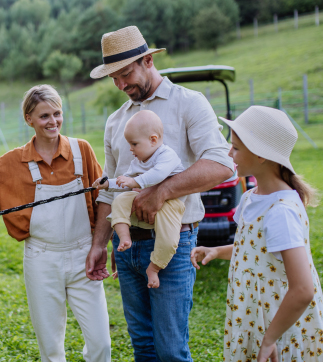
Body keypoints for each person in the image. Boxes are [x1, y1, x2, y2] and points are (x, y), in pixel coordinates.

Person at [85, 25, 234, 362]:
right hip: (126, 248)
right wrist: (98, 244)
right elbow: (110, 191)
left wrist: (161, 191)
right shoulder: (114, 121)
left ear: (148, 60)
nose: (121, 85)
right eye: (114, 78)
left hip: (173, 243)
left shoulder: (189, 103)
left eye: (125, 74)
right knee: (144, 348)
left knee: (169, 351)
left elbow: (222, 165)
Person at [0, 85, 111, 362]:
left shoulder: (82, 151)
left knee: (101, 344)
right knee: (51, 349)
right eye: (44, 116)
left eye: (57, 113)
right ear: (29, 119)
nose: (53, 122)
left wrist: (100, 245)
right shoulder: (12, 163)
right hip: (41, 260)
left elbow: (104, 199)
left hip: (83, 256)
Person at [191, 106, 323, 362]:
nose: (229, 152)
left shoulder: (281, 212)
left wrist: (269, 339)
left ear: (260, 155)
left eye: (236, 147)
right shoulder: (250, 198)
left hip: (281, 329)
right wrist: (216, 251)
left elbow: (303, 289)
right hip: (255, 315)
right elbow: (254, 250)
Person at [92, 110, 185, 288]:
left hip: (169, 204)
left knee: (169, 239)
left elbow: (158, 175)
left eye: (134, 144)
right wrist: (107, 184)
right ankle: (125, 236)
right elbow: (124, 180)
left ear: (153, 140)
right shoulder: (139, 161)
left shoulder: (167, 155)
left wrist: (135, 181)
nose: (130, 149)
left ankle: (155, 267)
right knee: (120, 201)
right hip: (144, 198)